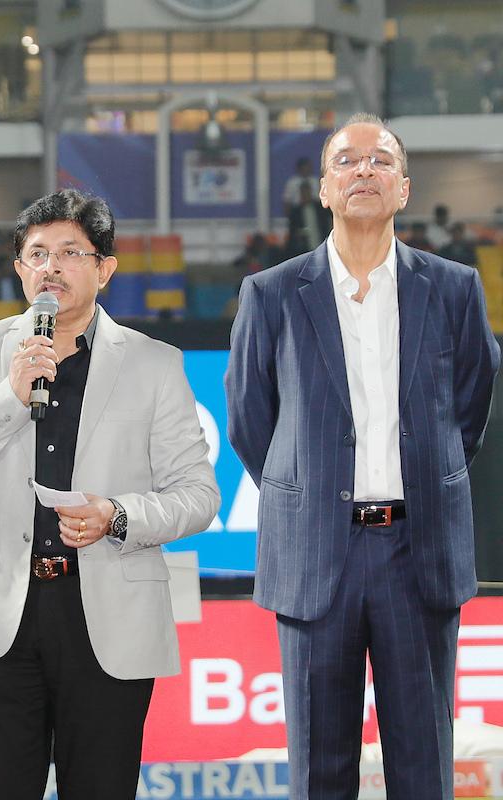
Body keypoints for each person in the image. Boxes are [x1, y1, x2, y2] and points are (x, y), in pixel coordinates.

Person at [0, 189, 219, 799]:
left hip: (107, 617)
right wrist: (8, 397)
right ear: (20, 268)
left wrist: (119, 515)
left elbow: (198, 494)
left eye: (71, 252)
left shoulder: (156, 364)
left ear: (105, 268)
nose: (51, 266)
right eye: (36, 253)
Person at [225, 113, 500, 800]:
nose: (364, 172)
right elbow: (250, 424)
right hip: (318, 559)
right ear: (323, 188)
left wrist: (419, 481)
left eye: (381, 161)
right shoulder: (272, 295)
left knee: (423, 769)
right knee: (321, 771)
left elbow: (467, 414)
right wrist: (314, 492)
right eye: (347, 161)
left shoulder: (455, 288)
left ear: (404, 188)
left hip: (420, 554)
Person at [284, 181, 332, 257]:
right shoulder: (296, 212)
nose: (305, 195)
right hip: (304, 251)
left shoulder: (321, 208)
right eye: (303, 193)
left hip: (323, 246)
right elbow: (292, 233)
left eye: (307, 192)